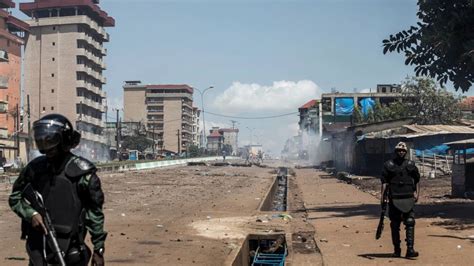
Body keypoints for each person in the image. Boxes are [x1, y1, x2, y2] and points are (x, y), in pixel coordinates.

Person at [9, 114, 107, 266]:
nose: (47, 147)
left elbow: (95, 214)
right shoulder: (35, 169)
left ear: (64, 140)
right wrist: (31, 214)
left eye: (50, 141)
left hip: (71, 249)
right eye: (42, 141)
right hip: (39, 247)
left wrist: (98, 249)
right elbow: (15, 197)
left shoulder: (83, 174)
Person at [381, 141, 420, 258]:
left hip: (408, 197)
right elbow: (384, 182)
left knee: (410, 222)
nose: (401, 152)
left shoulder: (411, 165)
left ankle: (410, 250)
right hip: (394, 198)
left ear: (406, 152)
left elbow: (417, 179)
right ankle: (397, 250)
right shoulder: (389, 165)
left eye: (403, 150)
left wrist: (417, 193)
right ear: (395, 151)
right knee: (395, 224)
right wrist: (383, 197)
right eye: (399, 150)